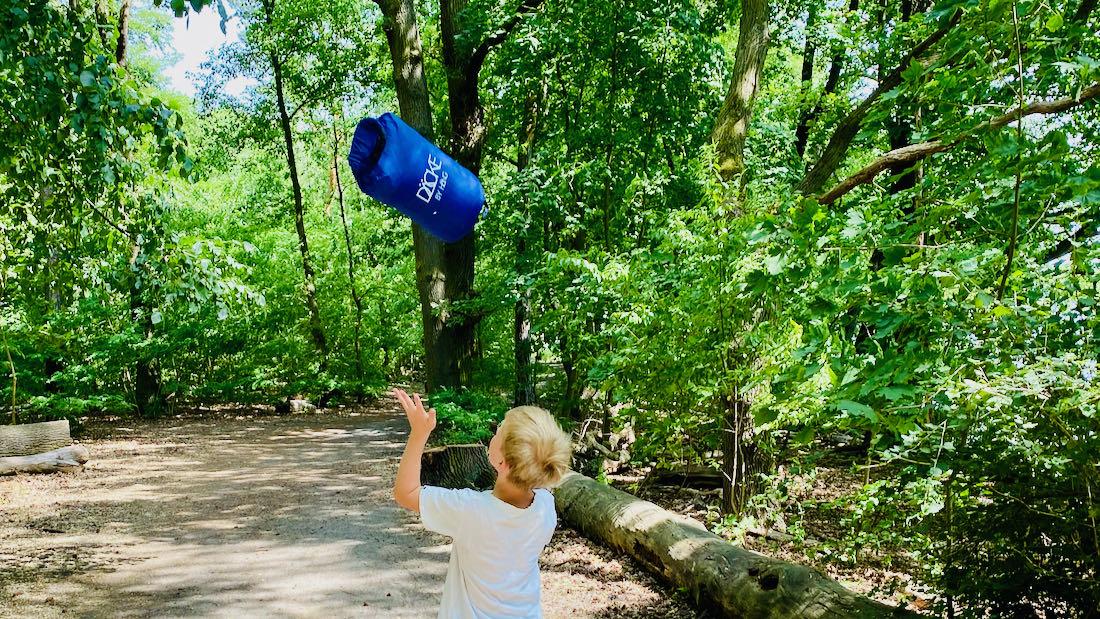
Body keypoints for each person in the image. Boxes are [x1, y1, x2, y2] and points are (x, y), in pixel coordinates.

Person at [391, 388, 572, 618]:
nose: (494, 433)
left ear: (502, 462)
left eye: (499, 430)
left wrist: (419, 433)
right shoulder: (545, 507)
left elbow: (405, 493)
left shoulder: (471, 511)